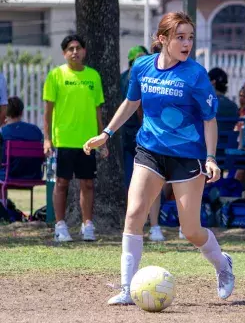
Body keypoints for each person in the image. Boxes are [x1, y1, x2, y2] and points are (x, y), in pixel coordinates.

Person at [83, 12, 235, 305]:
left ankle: (223, 266)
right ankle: (127, 288)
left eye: (190, 37)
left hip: (187, 156)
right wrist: (107, 133)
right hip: (149, 150)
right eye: (180, 37)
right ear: (162, 39)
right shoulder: (142, 67)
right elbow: (131, 102)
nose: (186, 43)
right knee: (134, 214)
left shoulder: (195, 75)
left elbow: (210, 120)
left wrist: (212, 158)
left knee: (190, 230)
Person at [43, 34, 107, 242]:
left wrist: (102, 138)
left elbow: (98, 110)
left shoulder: (94, 76)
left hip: (87, 142)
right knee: (61, 183)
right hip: (63, 140)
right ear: (64, 53)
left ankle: (87, 225)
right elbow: (48, 112)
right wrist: (47, 139)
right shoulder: (55, 76)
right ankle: (60, 226)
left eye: (78, 48)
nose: (74, 52)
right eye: (70, 49)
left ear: (84, 51)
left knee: (87, 184)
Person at [121, 45, 165, 242]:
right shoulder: (146, 75)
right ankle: (151, 225)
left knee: (135, 182)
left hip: (132, 135)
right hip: (144, 135)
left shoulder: (125, 76)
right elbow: (138, 106)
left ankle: (139, 225)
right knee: (151, 181)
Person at [0, 96, 43, 180]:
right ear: (22, 112)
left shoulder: (3, 133)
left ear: (5, 113)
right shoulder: (36, 130)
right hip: (34, 175)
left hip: (9, 175)